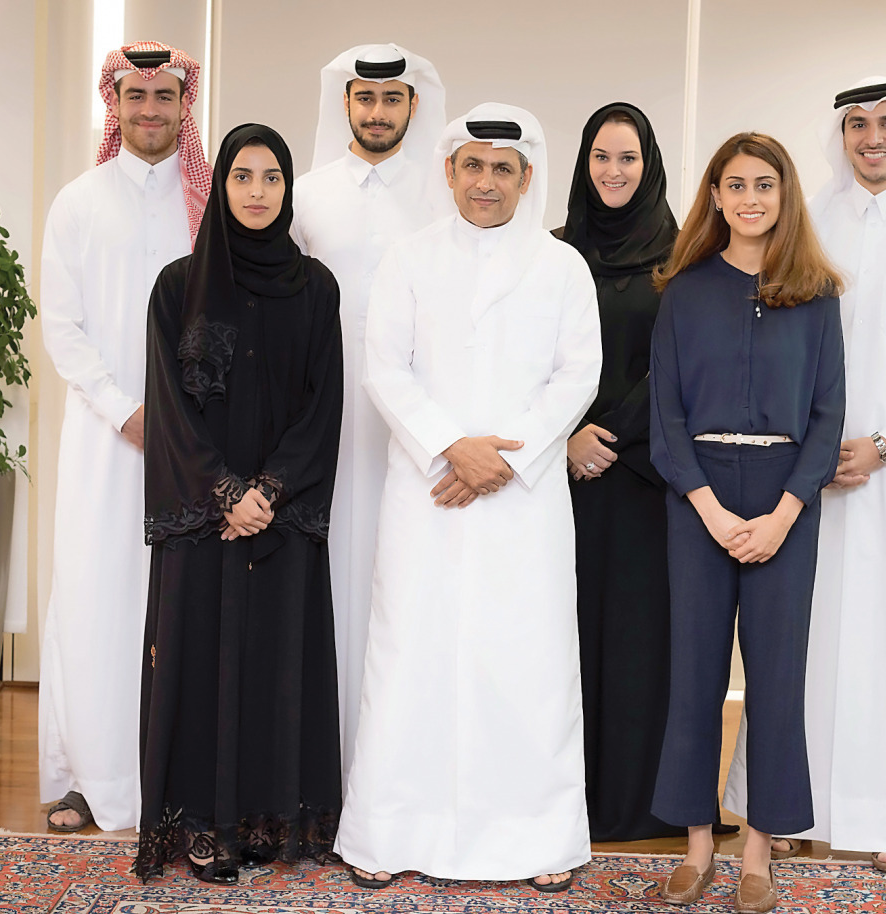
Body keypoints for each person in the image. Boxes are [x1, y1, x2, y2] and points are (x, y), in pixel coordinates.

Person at [723, 78, 886, 874]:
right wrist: (805, 449)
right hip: (801, 470)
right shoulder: (811, 226)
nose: (872, 138)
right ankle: (785, 810)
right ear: (840, 137)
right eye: (857, 125)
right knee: (794, 643)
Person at [334, 104, 602, 892]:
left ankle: (538, 843)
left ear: (527, 179)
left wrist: (502, 458)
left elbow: (576, 375)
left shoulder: (563, 267)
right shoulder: (409, 258)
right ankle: (390, 834)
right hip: (429, 492)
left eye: (503, 169)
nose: (486, 182)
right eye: (473, 166)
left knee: (529, 663)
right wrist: (452, 446)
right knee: (410, 655)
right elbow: (385, 368)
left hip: (524, 497)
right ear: (449, 171)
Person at [135, 124, 343, 885]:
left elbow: (324, 407)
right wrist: (224, 490)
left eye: (273, 178)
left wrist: (268, 491)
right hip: (202, 518)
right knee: (197, 667)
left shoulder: (317, 290)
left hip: (281, 519)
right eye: (243, 176)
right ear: (219, 186)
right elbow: (167, 407)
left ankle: (262, 820)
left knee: (273, 668)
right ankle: (201, 827)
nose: (257, 191)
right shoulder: (175, 286)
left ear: (288, 191)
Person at [649, 133, 844, 910]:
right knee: (694, 671)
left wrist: (783, 513)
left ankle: (760, 851)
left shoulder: (818, 293)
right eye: (736, 185)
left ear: (784, 193)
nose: (751, 198)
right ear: (717, 196)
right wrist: (709, 507)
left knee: (775, 679)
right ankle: (699, 844)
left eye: (765, 184)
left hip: (784, 495)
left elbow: (828, 417)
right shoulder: (684, 289)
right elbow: (665, 417)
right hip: (697, 491)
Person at [39, 41, 210, 834]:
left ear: (185, 105)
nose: (150, 112)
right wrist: (124, 409)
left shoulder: (213, 202)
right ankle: (89, 777)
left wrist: (183, 417)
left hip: (194, 440)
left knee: (181, 603)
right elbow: (64, 329)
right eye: (136, 98)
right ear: (116, 106)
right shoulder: (78, 200)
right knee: (97, 594)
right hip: (107, 440)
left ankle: (179, 774)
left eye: (164, 98)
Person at [291, 44, 446, 785]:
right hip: (326, 417)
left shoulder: (445, 194)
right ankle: (328, 763)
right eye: (365, 99)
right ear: (345, 104)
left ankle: (397, 767)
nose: (378, 113)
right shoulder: (307, 194)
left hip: (419, 423)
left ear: (413, 106)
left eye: (392, 100)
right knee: (331, 572)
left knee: (407, 578)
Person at [559, 102, 687, 841]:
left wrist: (607, 434)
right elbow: (533, 361)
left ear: (650, 166)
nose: (613, 172)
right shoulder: (551, 251)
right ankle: (566, 797)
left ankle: (643, 803)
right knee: (565, 633)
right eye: (601, 157)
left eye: (628, 158)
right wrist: (567, 435)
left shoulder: (682, 257)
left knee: (642, 639)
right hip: (562, 477)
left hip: (642, 478)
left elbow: (677, 365)